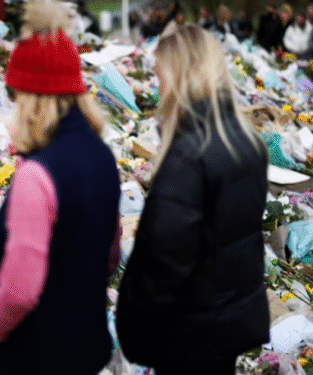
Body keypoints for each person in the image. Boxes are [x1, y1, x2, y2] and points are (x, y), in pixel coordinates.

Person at [0, 1, 121, 374]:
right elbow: (111, 251)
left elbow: (21, 289)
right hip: (84, 345)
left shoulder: (36, 176)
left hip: (34, 354)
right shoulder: (102, 156)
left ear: (32, 99)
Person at [116, 23, 269, 375]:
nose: (157, 88)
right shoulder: (245, 143)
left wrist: (134, 329)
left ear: (181, 75)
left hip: (188, 333)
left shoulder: (189, 156)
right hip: (225, 324)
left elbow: (165, 260)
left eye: (160, 76)